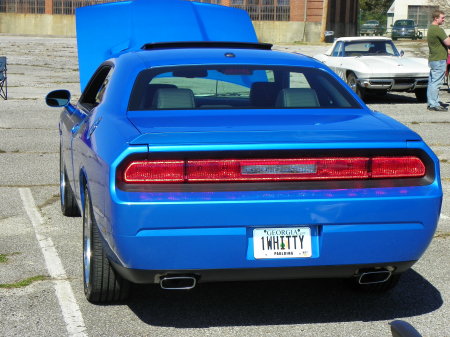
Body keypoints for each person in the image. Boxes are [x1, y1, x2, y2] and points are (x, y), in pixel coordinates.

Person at [427, 10, 450, 111]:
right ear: (436, 18)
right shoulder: (438, 30)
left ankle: (432, 102)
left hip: (433, 59)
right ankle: (433, 104)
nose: (444, 20)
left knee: (432, 82)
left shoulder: (430, 29)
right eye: (442, 18)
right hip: (439, 59)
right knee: (436, 83)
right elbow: (448, 43)